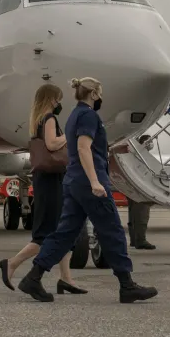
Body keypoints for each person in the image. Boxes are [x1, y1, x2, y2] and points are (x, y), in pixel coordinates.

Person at [17, 77, 158, 304]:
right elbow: (83, 148)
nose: (101, 97)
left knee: (64, 234)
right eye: (100, 93)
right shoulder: (88, 116)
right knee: (112, 230)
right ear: (93, 94)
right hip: (87, 181)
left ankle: (33, 276)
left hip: (73, 180)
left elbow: (82, 146)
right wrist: (95, 181)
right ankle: (127, 285)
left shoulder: (74, 116)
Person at [0, 83, 87, 295]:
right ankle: (12, 263)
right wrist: (71, 134)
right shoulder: (49, 119)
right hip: (51, 179)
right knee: (46, 234)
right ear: (50, 99)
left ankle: (66, 278)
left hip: (48, 178)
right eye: (58, 99)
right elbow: (52, 144)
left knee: (63, 230)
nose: (59, 103)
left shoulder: (38, 120)